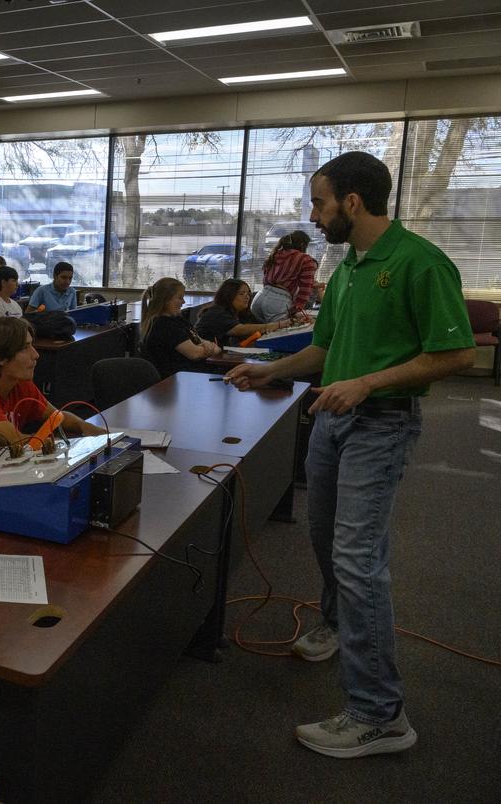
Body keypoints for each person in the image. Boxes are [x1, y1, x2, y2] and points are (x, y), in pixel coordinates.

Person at [227, 151, 475, 759]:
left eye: (319, 202)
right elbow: (323, 348)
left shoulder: (420, 262)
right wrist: (270, 372)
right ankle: (338, 625)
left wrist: (365, 383)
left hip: (380, 425)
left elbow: (457, 355)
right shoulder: (350, 269)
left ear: (353, 203)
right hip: (332, 423)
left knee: (359, 559)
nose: (314, 216)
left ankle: (380, 714)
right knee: (323, 535)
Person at [0, 316, 106, 465]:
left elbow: (56, 417)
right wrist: (50, 441)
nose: (35, 355)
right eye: (24, 348)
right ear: (0, 357)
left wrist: (84, 426)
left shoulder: (20, 384)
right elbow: (13, 440)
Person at [139, 277, 220, 378]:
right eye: (180, 298)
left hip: (191, 375)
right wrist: (207, 348)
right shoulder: (163, 325)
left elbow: (206, 344)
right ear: (166, 300)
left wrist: (206, 346)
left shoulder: (178, 320)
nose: (184, 302)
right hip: (178, 380)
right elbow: (194, 353)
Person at [196, 279, 301, 346]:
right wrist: (279, 324)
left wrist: (296, 323)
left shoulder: (242, 313)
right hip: (206, 361)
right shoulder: (217, 312)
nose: (247, 296)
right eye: (242, 293)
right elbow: (239, 329)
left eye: (248, 293)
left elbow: (263, 327)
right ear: (228, 295)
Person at [251, 230, 318, 323]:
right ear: (303, 245)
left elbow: (265, 278)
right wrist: (296, 309)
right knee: (278, 335)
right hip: (278, 301)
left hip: (259, 297)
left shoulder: (275, 254)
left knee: (259, 334)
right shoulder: (305, 259)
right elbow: (306, 288)